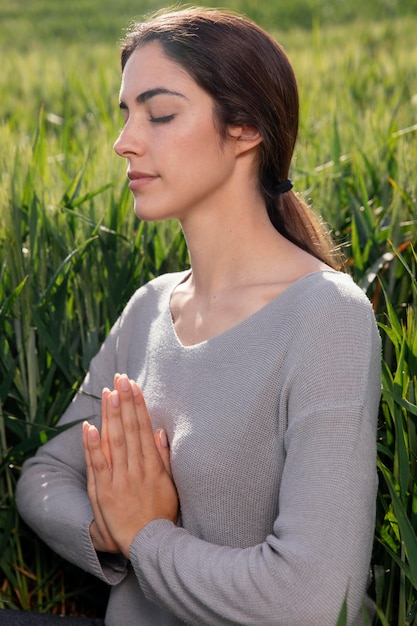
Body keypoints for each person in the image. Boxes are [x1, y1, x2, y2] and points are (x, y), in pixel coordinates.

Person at [16, 7, 381, 625]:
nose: (124, 141)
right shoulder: (149, 308)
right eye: (126, 114)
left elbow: (316, 600)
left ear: (244, 128)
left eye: (159, 114)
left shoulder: (327, 317)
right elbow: (44, 474)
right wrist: (112, 531)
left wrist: (147, 537)